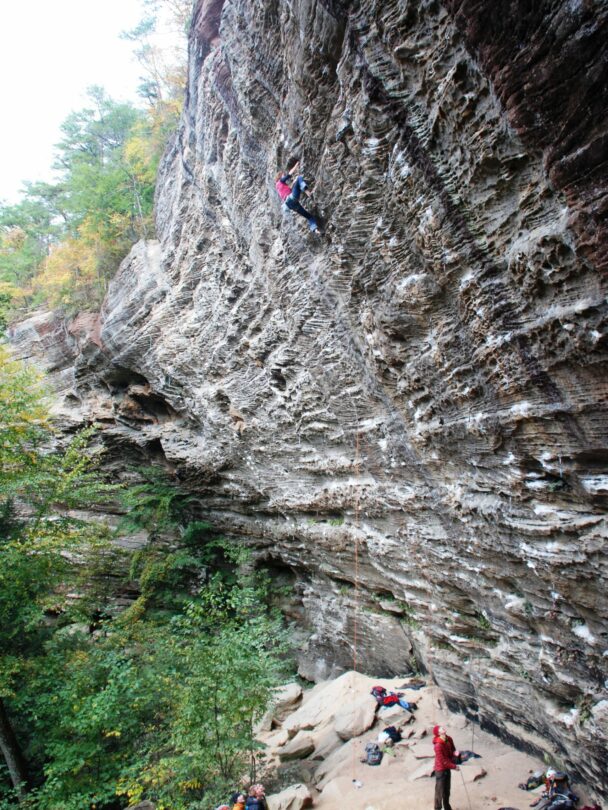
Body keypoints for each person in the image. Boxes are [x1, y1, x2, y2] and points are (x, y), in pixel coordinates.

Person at [275, 162, 319, 232]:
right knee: (299, 178)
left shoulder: (278, 187)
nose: (284, 176)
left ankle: (315, 229)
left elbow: (290, 189)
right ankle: (307, 191)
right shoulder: (280, 181)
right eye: (283, 175)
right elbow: (289, 175)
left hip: (290, 205)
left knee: (309, 216)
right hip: (291, 198)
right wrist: (296, 165)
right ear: (280, 177)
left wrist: (294, 182)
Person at [433, 724, 459, 810]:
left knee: (447, 791)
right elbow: (443, 761)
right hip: (440, 770)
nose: (442, 728)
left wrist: (455, 754)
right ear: (438, 733)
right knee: (439, 792)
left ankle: (447, 808)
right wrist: (454, 766)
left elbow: (452, 750)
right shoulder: (438, 745)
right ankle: (437, 808)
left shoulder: (448, 739)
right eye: (440, 728)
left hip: (447, 768)